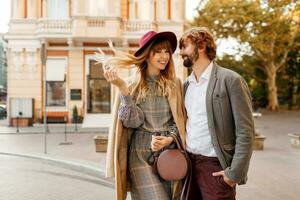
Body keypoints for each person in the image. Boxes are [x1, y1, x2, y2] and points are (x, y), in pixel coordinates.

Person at [102, 31, 186, 200]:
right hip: (140, 155)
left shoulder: (175, 84)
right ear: (147, 55)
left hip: (169, 154)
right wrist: (123, 90)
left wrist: (170, 138)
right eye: (158, 52)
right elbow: (132, 122)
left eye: (167, 51)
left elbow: (181, 120)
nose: (164, 56)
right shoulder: (131, 84)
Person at [179, 27, 255, 200]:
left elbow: (246, 131)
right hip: (188, 166)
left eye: (185, 46)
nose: (181, 52)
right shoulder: (186, 85)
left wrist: (234, 173)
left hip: (215, 167)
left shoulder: (231, 80)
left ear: (202, 46)